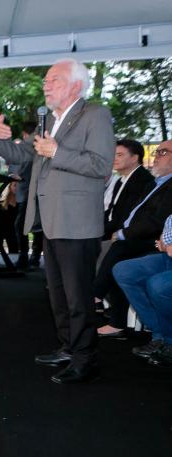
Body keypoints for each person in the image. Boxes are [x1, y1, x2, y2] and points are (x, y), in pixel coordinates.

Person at [0, 58, 114, 384]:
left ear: (75, 85)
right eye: (45, 80)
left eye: (52, 79)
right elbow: (22, 156)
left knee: (77, 296)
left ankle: (86, 359)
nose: (45, 84)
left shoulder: (94, 115)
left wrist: (57, 152)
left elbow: (101, 165)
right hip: (51, 221)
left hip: (77, 223)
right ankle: (68, 347)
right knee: (56, 292)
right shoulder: (49, 121)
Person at [93, 139, 172, 338]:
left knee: (119, 251)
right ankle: (160, 333)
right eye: (157, 151)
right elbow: (128, 215)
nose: (155, 156)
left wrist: (122, 233)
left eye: (162, 152)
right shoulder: (155, 182)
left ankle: (95, 297)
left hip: (151, 240)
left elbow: (155, 222)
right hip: (147, 239)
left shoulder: (147, 181)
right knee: (120, 263)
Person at [112, 214, 172, 365]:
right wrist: (165, 240)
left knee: (158, 285)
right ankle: (160, 334)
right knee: (124, 271)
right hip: (167, 257)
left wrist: (167, 243)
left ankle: (169, 340)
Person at [8, 122, 44, 269]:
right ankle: (32, 256)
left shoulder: (30, 150)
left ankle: (27, 257)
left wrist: (13, 175)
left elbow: (19, 169)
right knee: (35, 226)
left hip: (30, 193)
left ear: (24, 135)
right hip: (29, 193)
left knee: (24, 225)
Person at [104, 139, 154, 240]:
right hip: (110, 230)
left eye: (119, 155)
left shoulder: (143, 181)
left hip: (126, 237)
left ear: (134, 158)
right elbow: (112, 211)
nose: (114, 159)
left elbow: (127, 216)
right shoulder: (120, 180)